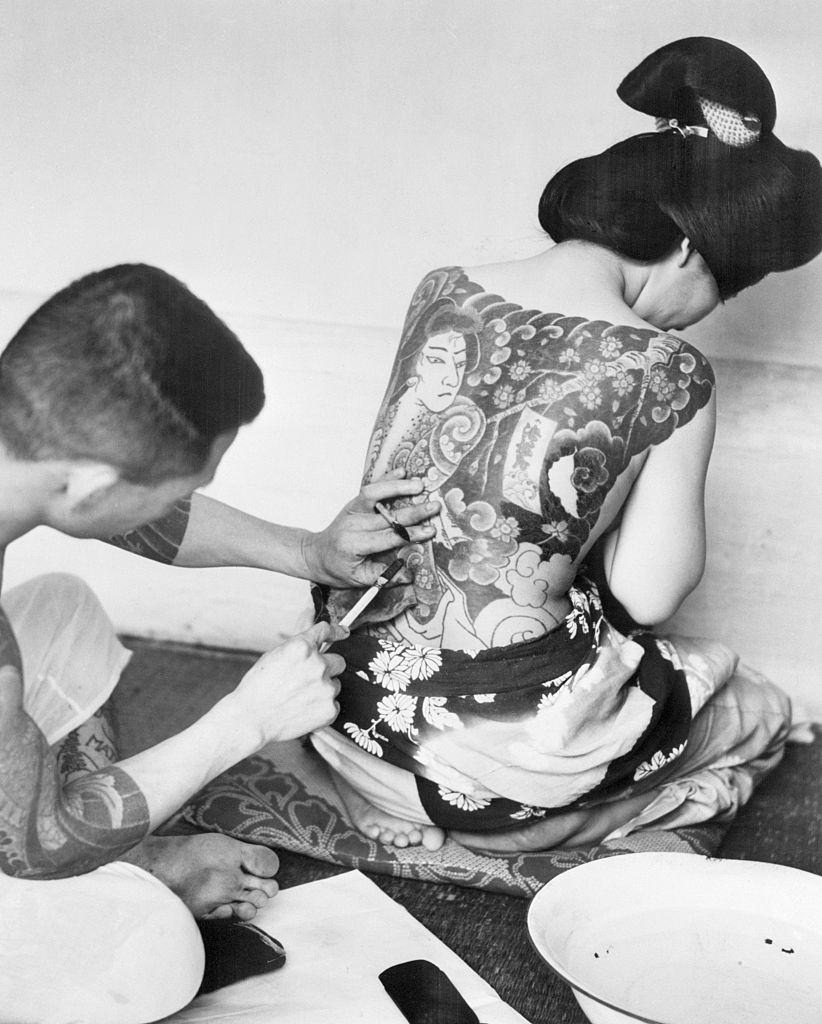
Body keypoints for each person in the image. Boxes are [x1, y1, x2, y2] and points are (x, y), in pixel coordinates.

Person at [311, 37, 822, 855]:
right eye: (721, 288)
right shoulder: (664, 367)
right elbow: (649, 597)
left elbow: (401, 483)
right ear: (689, 249)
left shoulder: (443, 290)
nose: (700, 313)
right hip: (493, 761)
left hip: (346, 698)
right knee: (755, 701)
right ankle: (559, 825)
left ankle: (373, 788)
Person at [0, 263, 439, 1023]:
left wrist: (306, 552)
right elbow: (33, 843)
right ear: (90, 484)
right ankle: (123, 876)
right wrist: (247, 720)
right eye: (176, 489)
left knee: (62, 611)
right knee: (148, 965)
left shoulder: (29, 446)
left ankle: (123, 859)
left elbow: (124, 511)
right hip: (30, 843)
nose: (178, 504)